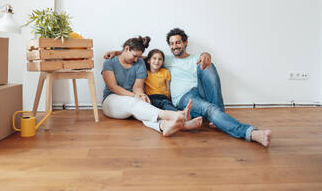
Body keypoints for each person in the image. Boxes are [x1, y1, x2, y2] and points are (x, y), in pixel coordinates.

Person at [104, 29, 272, 147]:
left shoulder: (196, 58)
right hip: (185, 96)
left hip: (200, 90)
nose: (174, 46)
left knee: (208, 65)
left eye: (178, 42)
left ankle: (217, 115)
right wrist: (116, 52)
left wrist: (207, 54)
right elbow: (144, 57)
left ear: (185, 43)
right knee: (208, 108)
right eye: (171, 43)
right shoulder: (165, 59)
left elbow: (138, 68)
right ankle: (249, 132)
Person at [101, 36, 199, 136]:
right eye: (135, 56)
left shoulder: (139, 63)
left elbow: (137, 87)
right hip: (111, 101)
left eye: (138, 57)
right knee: (134, 102)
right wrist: (135, 96)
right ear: (127, 49)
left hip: (133, 100)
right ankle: (173, 115)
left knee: (144, 110)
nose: (136, 60)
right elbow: (113, 87)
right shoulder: (109, 63)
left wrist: (141, 95)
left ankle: (163, 126)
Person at [145, 49, 203, 128]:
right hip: (151, 98)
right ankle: (183, 116)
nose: (157, 61)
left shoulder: (165, 72)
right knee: (163, 106)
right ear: (149, 60)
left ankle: (182, 118)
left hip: (164, 98)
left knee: (168, 106)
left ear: (163, 61)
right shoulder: (145, 73)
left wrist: (170, 99)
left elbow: (168, 88)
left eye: (160, 59)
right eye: (154, 58)